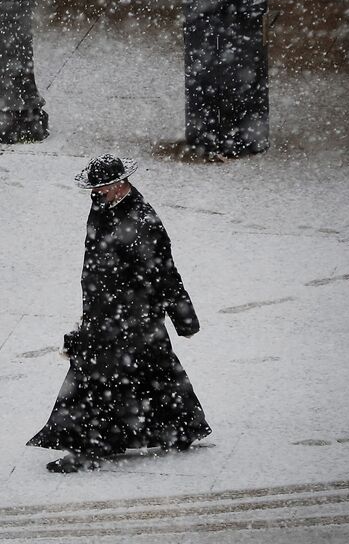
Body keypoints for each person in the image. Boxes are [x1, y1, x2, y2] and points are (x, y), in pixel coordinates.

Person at [27, 154, 210, 473]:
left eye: (102, 187)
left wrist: (184, 318)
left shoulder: (141, 219)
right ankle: (180, 427)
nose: (95, 193)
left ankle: (92, 445)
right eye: (93, 188)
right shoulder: (102, 206)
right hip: (106, 311)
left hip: (132, 315)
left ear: (120, 184)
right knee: (151, 369)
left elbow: (165, 272)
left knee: (103, 376)